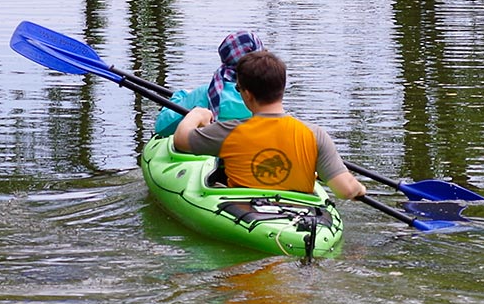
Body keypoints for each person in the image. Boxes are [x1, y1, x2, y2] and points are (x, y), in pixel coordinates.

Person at [174, 50, 367, 200]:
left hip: (243, 213)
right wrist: (359, 189)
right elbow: (346, 190)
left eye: (238, 88)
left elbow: (181, 140)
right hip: (299, 216)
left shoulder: (228, 132)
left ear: (248, 94)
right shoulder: (315, 135)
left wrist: (197, 113)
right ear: (281, 87)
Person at [153, 31, 261, 137]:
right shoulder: (269, 94)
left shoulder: (206, 93)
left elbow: (162, 127)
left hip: (210, 148)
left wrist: (180, 96)